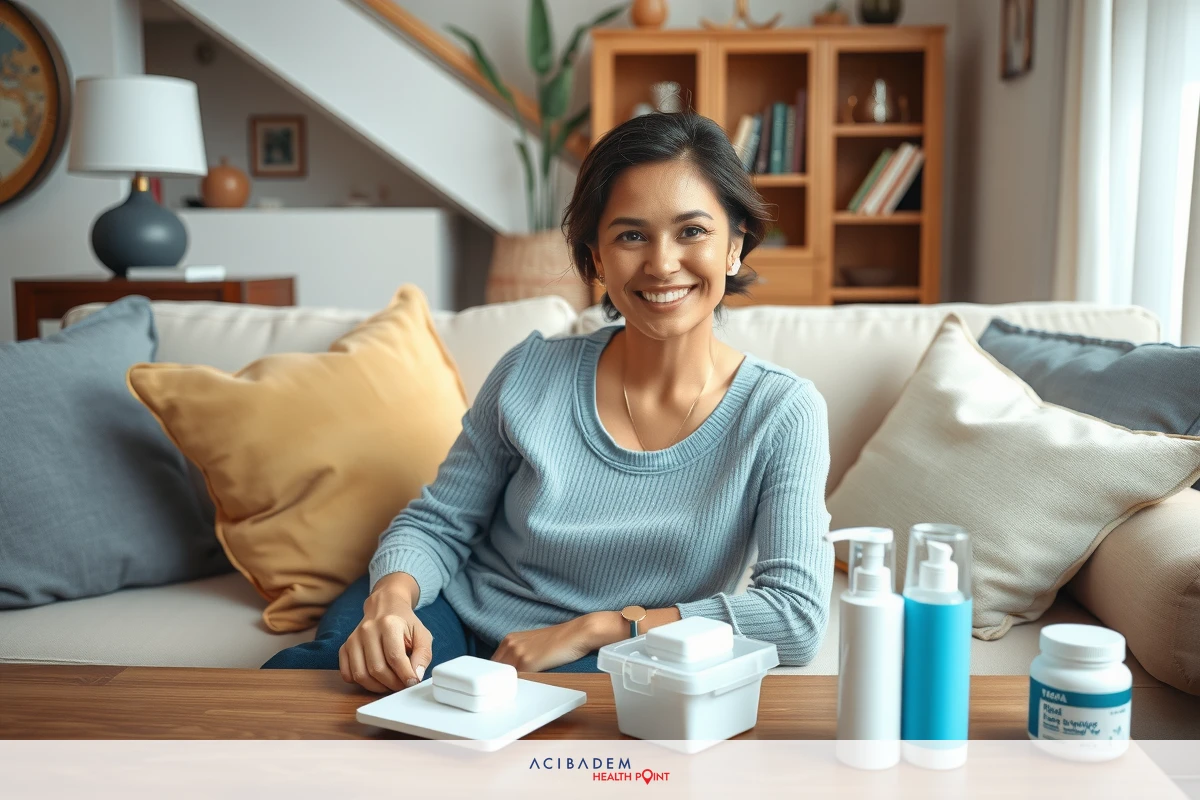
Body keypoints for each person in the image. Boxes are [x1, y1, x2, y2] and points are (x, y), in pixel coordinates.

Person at [263, 112, 834, 693]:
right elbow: (438, 524)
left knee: (564, 722)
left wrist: (599, 628)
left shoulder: (781, 412)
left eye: (692, 231)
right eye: (631, 235)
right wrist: (390, 600)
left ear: (734, 246)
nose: (662, 263)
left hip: (605, 654)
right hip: (449, 615)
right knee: (325, 686)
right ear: (597, 258)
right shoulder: (530, 370)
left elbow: (794, 615)